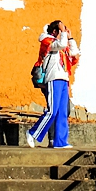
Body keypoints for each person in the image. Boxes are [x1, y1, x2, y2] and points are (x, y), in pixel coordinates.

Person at [28, 20, 79, 148]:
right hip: (53, 78)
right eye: (61, 30)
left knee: (62, 111)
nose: (63, 33)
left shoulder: (62, 43)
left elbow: (74, 54)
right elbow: (61, 44)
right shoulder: (47, 41)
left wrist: (70, 37)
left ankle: (60, 141)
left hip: (63, 79)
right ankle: (32, 133)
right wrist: (62, 34)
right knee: (52, 111)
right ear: (55, 31)